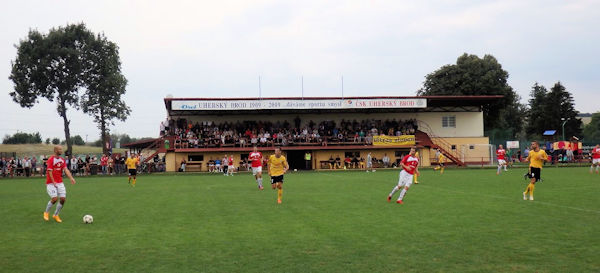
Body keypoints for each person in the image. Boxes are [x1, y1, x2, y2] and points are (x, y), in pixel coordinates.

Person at [43, 146, 77, 223]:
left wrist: (71, 178)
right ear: (55, 150)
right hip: (51, 183)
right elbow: (49, 171)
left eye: (61, 149)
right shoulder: (51, 159)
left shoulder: (62, 160)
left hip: (60, 182)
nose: (61, 150)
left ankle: (56, 215)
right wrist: (53, 181)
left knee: (63, 199)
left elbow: (66, 169)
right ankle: (46, 212)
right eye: (59, 149)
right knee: (54, 199)